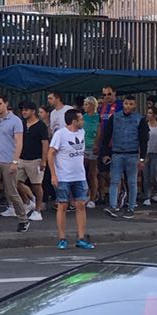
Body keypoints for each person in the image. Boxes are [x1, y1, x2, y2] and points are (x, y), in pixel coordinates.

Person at [48, 107, 94, 250]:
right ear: (74, 121)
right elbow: (51, 154)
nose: (83, 122)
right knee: (62, 205)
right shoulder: (60, 134)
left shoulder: (81, 132)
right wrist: (54, 174)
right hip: (63, 176)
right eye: (80, 119)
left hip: (79, 175)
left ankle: (81, 237)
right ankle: (62, 238)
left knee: (80, 205)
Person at [0, 94, 30, 231]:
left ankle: (23, 218)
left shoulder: (15, 121)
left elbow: (19, 142)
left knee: (11, 192)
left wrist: (15, 161)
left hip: (8, 160)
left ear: (6, 104)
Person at [101, 94, 150, 217]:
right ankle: (113, 206)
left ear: (135, 105)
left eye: (131, 104)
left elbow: (144, 140)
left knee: (132, 182)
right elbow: (106, 136)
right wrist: (105, 153)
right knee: (114, 180)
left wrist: (142, 158)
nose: (128, 106)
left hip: (132, 154)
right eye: (126, 103)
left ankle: (131, 207)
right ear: (123, 104)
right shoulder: (115, 117)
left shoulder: (140, 119)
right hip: (116, 153)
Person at [15, 101, 49, 221]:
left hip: (36, 159)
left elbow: (45, 143)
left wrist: (44, 160)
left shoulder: (41, 126)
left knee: (37, 185)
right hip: (21, 158)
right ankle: (27, 202)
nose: (24, 112)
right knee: (15, 183)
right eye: (23, 110)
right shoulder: (21, 124)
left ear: (33, 111)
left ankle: (38, 210)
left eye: (26, 110)